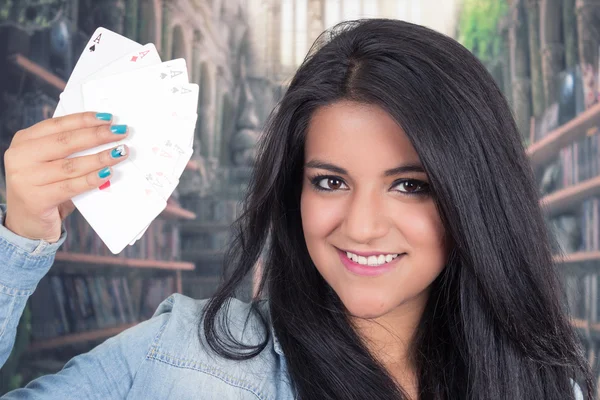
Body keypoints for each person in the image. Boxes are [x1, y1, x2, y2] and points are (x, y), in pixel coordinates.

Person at [0, 18, 592, 399]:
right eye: (330, 182)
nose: (360, 227)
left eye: (411, 185)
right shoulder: (181, 355)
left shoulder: (546, 387)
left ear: (475, 196)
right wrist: (20, 235)